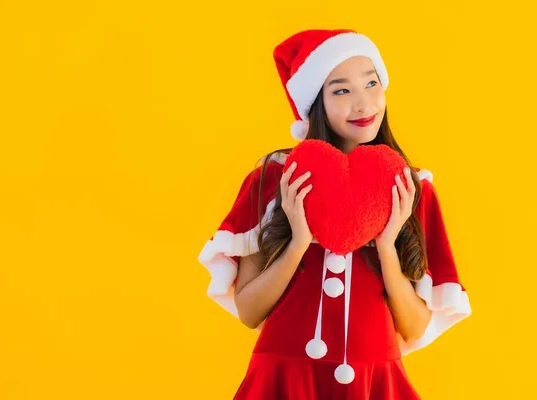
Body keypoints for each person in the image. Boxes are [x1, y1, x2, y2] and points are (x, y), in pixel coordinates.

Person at [197, 28, 472, 399]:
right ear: (315, 102)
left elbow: (414, 328)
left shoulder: (411, 188)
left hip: (371, 382)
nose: (363, 104)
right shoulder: (278, 177)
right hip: (284, 377)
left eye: (371, 83)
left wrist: (387, 245)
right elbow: (249, 312)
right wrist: (298, 242)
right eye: (341, 90)